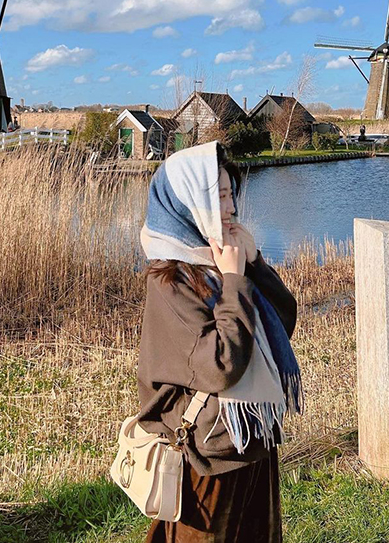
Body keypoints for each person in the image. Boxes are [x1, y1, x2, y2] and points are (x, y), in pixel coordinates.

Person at [136, 140, 303, 542]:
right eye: (220, 197)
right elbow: (221, 364)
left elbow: (284, 319)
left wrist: (255, 264)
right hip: (205, 459)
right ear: (190, 205)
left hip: (251, 439)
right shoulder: (170, 282)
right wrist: (234, 280)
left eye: (232, 195)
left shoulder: (217, 263)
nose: (230, 208)